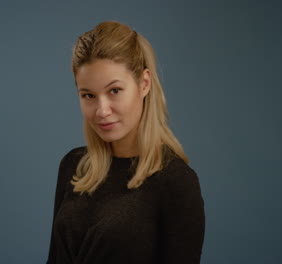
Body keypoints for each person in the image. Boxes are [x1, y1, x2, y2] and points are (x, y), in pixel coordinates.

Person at [46, 21, 205, 264]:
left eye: (114, 91)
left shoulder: (176, 182)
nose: (102, 110)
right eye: (88, 95)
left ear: (144, 84)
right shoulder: (75, 166)